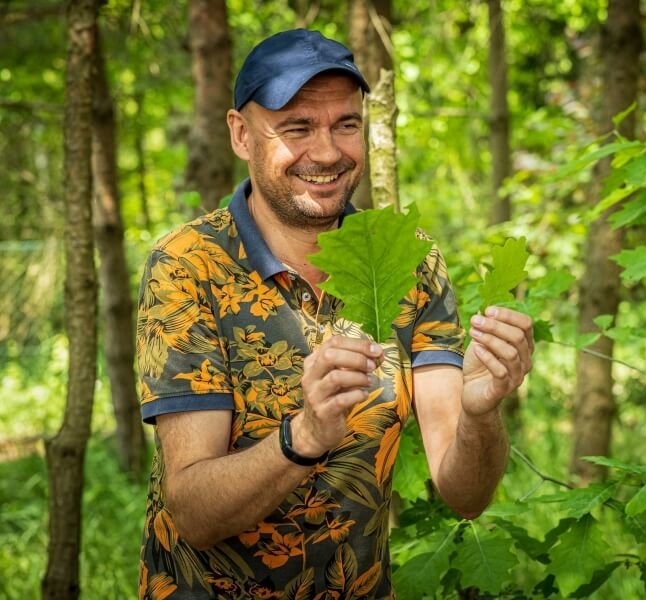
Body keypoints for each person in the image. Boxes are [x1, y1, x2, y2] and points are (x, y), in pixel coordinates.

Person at [136, 28, 533, 599]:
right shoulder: (188, 266)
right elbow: (194, 513)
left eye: (345, 125)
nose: (327, 153)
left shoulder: (407, 257)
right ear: (241, 134)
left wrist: (480, 412)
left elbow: (466, 494)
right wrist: (305, 436)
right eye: (297, 127)